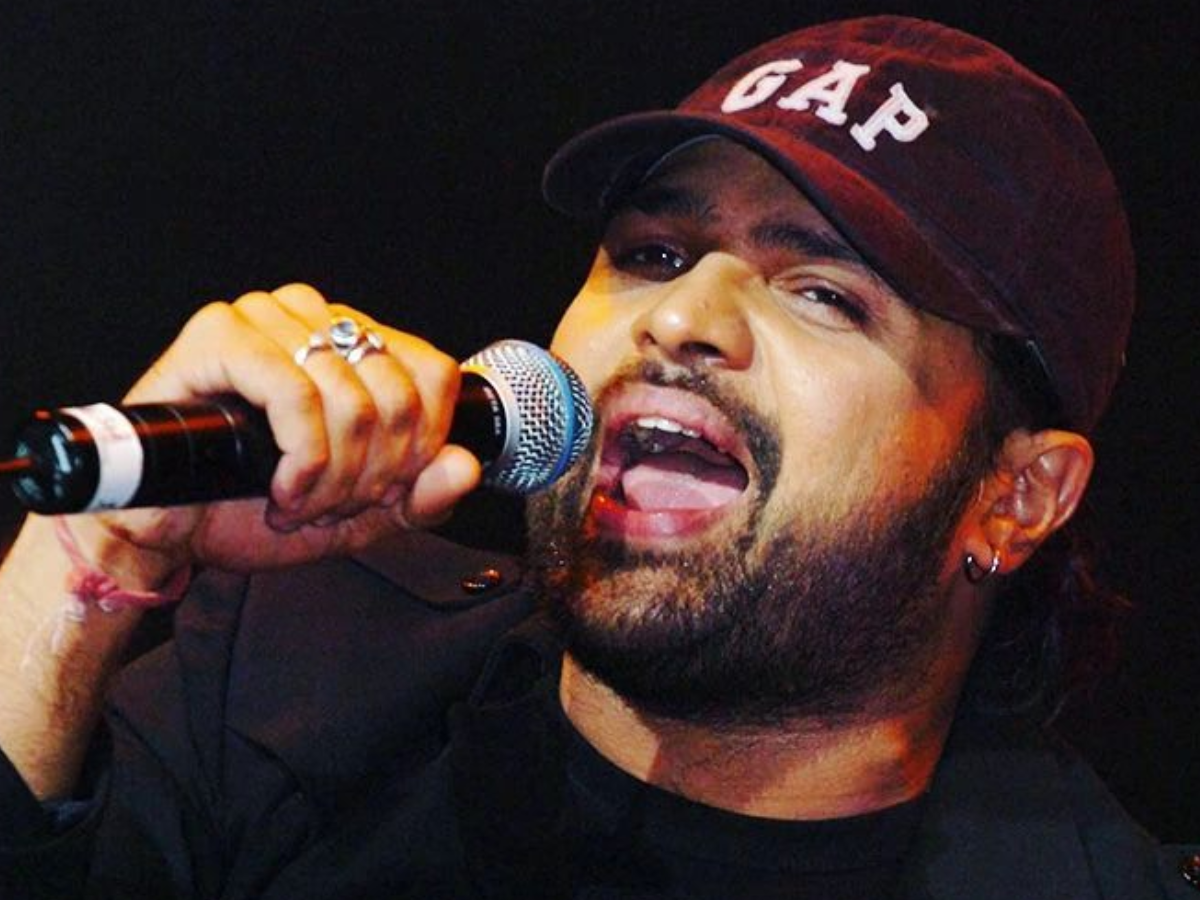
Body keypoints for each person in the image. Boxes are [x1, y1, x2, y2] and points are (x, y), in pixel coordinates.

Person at [0, 15, 1195, 899]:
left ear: (1015, 495)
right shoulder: (290, 675)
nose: (678, 319)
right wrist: (96, 558)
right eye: (654, 255)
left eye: (824, 293)